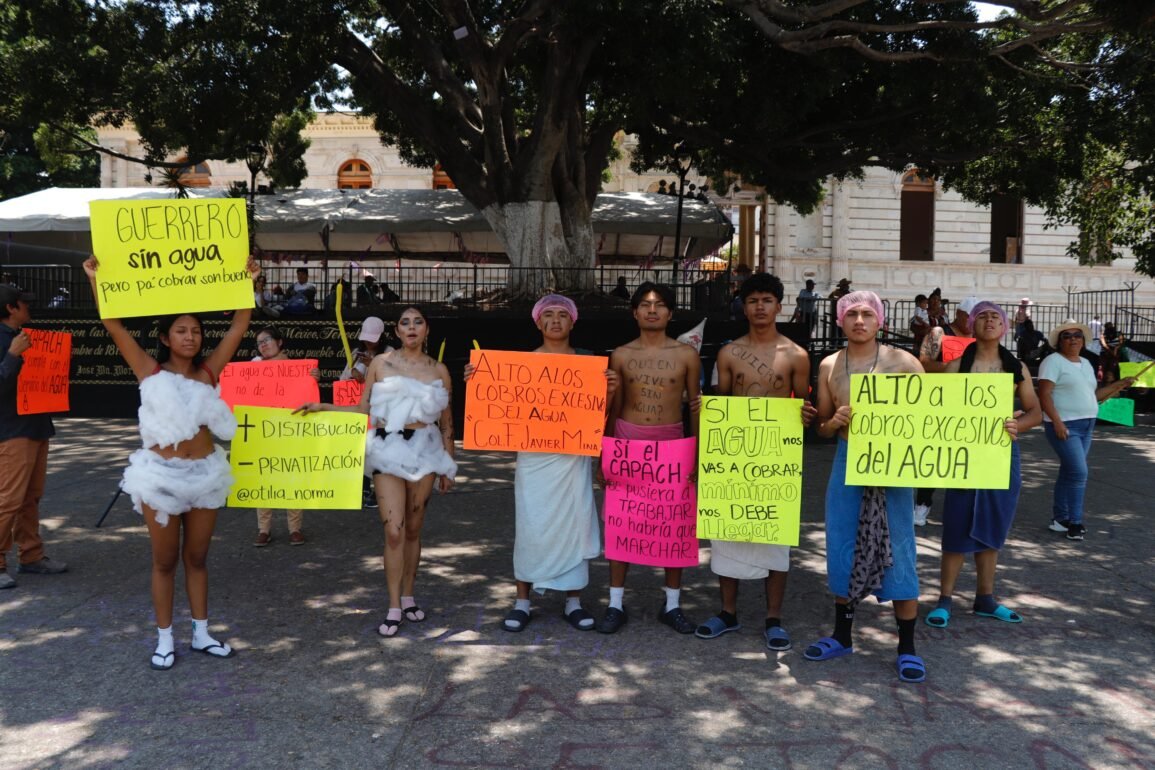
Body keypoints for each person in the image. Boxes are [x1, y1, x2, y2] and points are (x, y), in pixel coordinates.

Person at [82, 255, 257, 669]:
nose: (190, 337)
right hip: (159, 480)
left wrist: (249, 280)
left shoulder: (209, 372)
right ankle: (164, 638)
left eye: (195, 331)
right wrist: (94, 278)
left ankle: (201, 632)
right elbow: (114, 326)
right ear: (164, 337)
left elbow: (238, 326)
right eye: (181, 330)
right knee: (164, 561)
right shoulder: (148, 370)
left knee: (197, 559)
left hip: (205, 477)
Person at [296, 306, 456, 637]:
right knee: (393, 530)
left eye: (418, 322)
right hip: (386, 448)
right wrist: (324, 406)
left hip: (425, 451)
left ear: (426, 330)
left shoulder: (439, 369)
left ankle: (409, 596)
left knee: (413, 529)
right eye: (404, 323)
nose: (411, 327)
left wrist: (448, 465)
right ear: (396, 331)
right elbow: (362, 408)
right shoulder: (380, 364)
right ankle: (394, 605)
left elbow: (447, 423)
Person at [466, 295, 617, 633]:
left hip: (573, 460)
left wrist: (608, 391)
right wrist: (478, 381)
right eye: (547, 315)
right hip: (534, 460)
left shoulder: (588, 363)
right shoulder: (521, 366)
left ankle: (573, 601)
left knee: (575, 524)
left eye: (562, 315)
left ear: (572, 321)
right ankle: (523, 601)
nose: (555, 320)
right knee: (531, 525)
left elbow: (598, 416)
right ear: (537, 322)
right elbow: (500, 409)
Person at [807, 290, 927, 684]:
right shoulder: (828, 365)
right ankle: (842, 636)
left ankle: (907, 647)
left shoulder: (904, 362)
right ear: (840, 321)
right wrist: (834, 422)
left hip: (893, 465)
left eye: (867, 314)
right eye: (851, 314)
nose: (859, 320)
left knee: (901, 547)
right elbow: (821, 428)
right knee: (843, 543)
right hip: (846, 461)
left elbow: (933, 420)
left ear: (880, 322)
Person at [696, 273, 817, 650]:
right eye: (753, 301)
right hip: (734, 456)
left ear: (779, 305)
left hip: (777, 459)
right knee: (726, 534)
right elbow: (723, 407)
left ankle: (773, 617)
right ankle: (727, 612)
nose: (760, 307)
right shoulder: (729, 353)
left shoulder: (796, 355)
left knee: (775, 537)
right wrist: (707, 413)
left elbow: (803, 407)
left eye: (767, 300)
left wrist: (807, 417)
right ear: (743, 306)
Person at [925, 301, 1042, 628]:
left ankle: (985, 599)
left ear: (1004, 327)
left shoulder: (1015, 366)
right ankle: (945, 599)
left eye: (996, 317)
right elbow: (937, 408)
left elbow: (1035, 412)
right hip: (964, 455)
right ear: (971, 326)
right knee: (957, 522)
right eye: (983, 316)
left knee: (993, 524)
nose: (990, 321)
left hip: (1002, 454)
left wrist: (1019, 426)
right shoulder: (958, 363)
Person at [600, 282, 700, 634]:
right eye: (645, 305)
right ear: (635, 312)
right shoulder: (622, 354)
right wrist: (606, 451)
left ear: (671, 313)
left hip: (673, 445)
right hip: (628, 444)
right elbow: (613, 406)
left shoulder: (687, 354)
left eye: (659, 305)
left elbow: (695, 406)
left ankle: (672, 604)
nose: (652, 310)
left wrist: (698, 453)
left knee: (675, 526)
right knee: (622, 522)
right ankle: (614, 603)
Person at [1038, 319, 1133, 542]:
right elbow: (1043, 394)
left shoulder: (1086, 363)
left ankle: (1060, 519)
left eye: (1077, 335)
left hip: (1087, 425)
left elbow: (1094, 396)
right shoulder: (1052, 362)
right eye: (1067, 335)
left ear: (1083, 340)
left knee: (1070, 471)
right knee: (1079, 473)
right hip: (1065, 426)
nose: (1073, 339)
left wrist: (1119, 384)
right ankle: (1076, 522)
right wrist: (1057, 422)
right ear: (1059, 341)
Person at [0, 285, 69, 590]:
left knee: (30, 497)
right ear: (10, 308)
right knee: (9, 500)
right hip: (12, 430)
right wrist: (13, 356)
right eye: (23, 303)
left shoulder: (27, 336)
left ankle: (31, 556)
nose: (29, 308)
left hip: (35, 425)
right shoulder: (11, 341)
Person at [251, 325, 320, 547]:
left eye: (267, 340)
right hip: (264, 429)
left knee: (293, 476)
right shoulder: (253, 366)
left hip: (292, 430)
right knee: (264, 476)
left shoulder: (298, 368)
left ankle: (295, 528)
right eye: (259, 342)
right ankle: (264, 529)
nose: (263, 345)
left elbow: (308, 399)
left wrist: (312, 380)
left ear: (280, 342)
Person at [913, 296, 979, 526]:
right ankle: (922, 503)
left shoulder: (982, 338)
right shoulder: (939, 333)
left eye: (976, 318)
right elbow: (922, 364)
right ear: (959, 314)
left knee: (966, 457)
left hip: (970, 405)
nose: (972, 322)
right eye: (969, 316)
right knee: (932, 455)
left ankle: (962, 509)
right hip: (939, 403)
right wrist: (955, 367)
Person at [341, 317, 388, 384]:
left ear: (381, 337)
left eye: (371, 339)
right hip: (358, 393)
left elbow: (392, 379)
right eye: (366, 338)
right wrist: (351, 372)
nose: (368, 341)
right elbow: (341, 380)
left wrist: (372, 365)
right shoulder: (356, 352)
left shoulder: (389, 353)